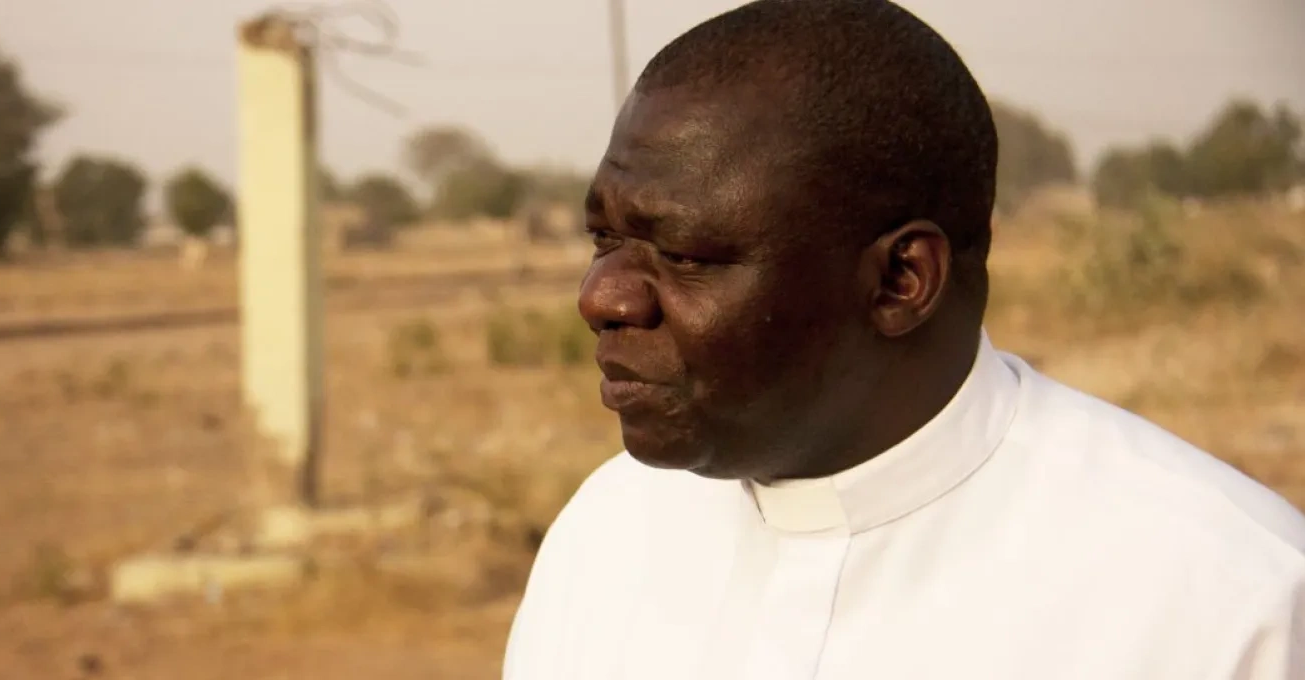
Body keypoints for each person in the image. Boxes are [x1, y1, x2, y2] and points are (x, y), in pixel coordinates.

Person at [502, 0, 1305, 678]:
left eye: (682, 256)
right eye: (604, 240)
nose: (600, 298)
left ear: (900, 282)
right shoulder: (606, 535)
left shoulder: (1230, 602)